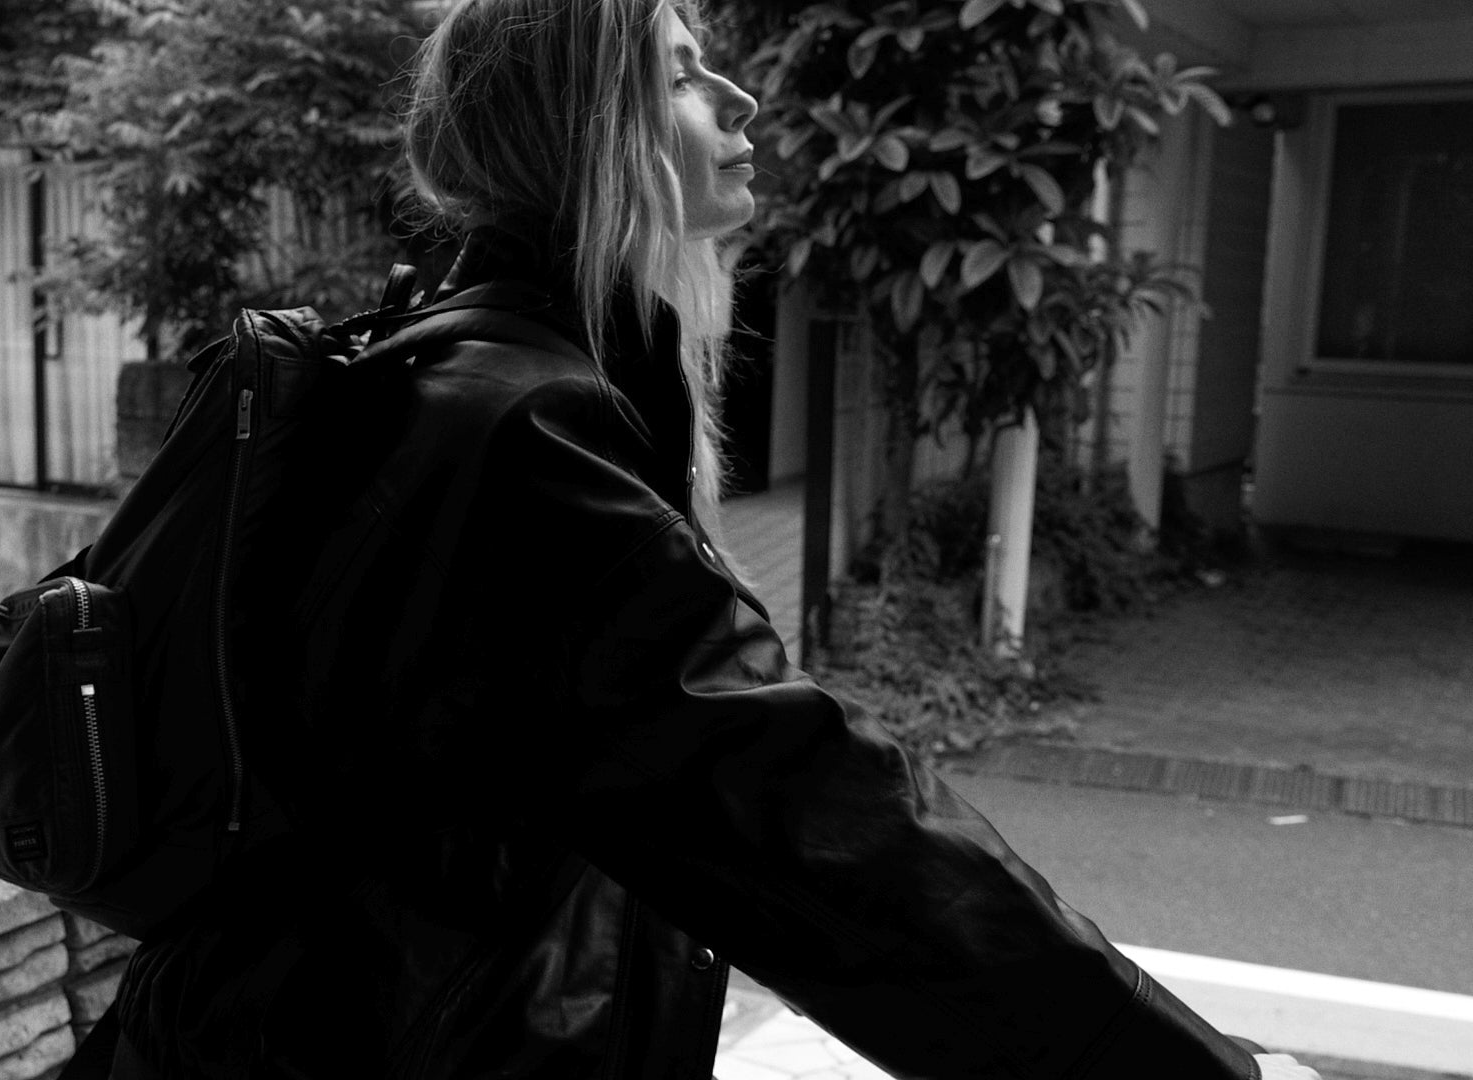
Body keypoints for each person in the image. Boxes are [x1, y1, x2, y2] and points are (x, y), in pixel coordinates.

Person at [106, 1, 1323, 1076]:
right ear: (583, 127)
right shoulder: (520, 432)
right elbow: (807, 816)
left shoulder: (447, 367)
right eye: (681, 74)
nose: (740, 98)